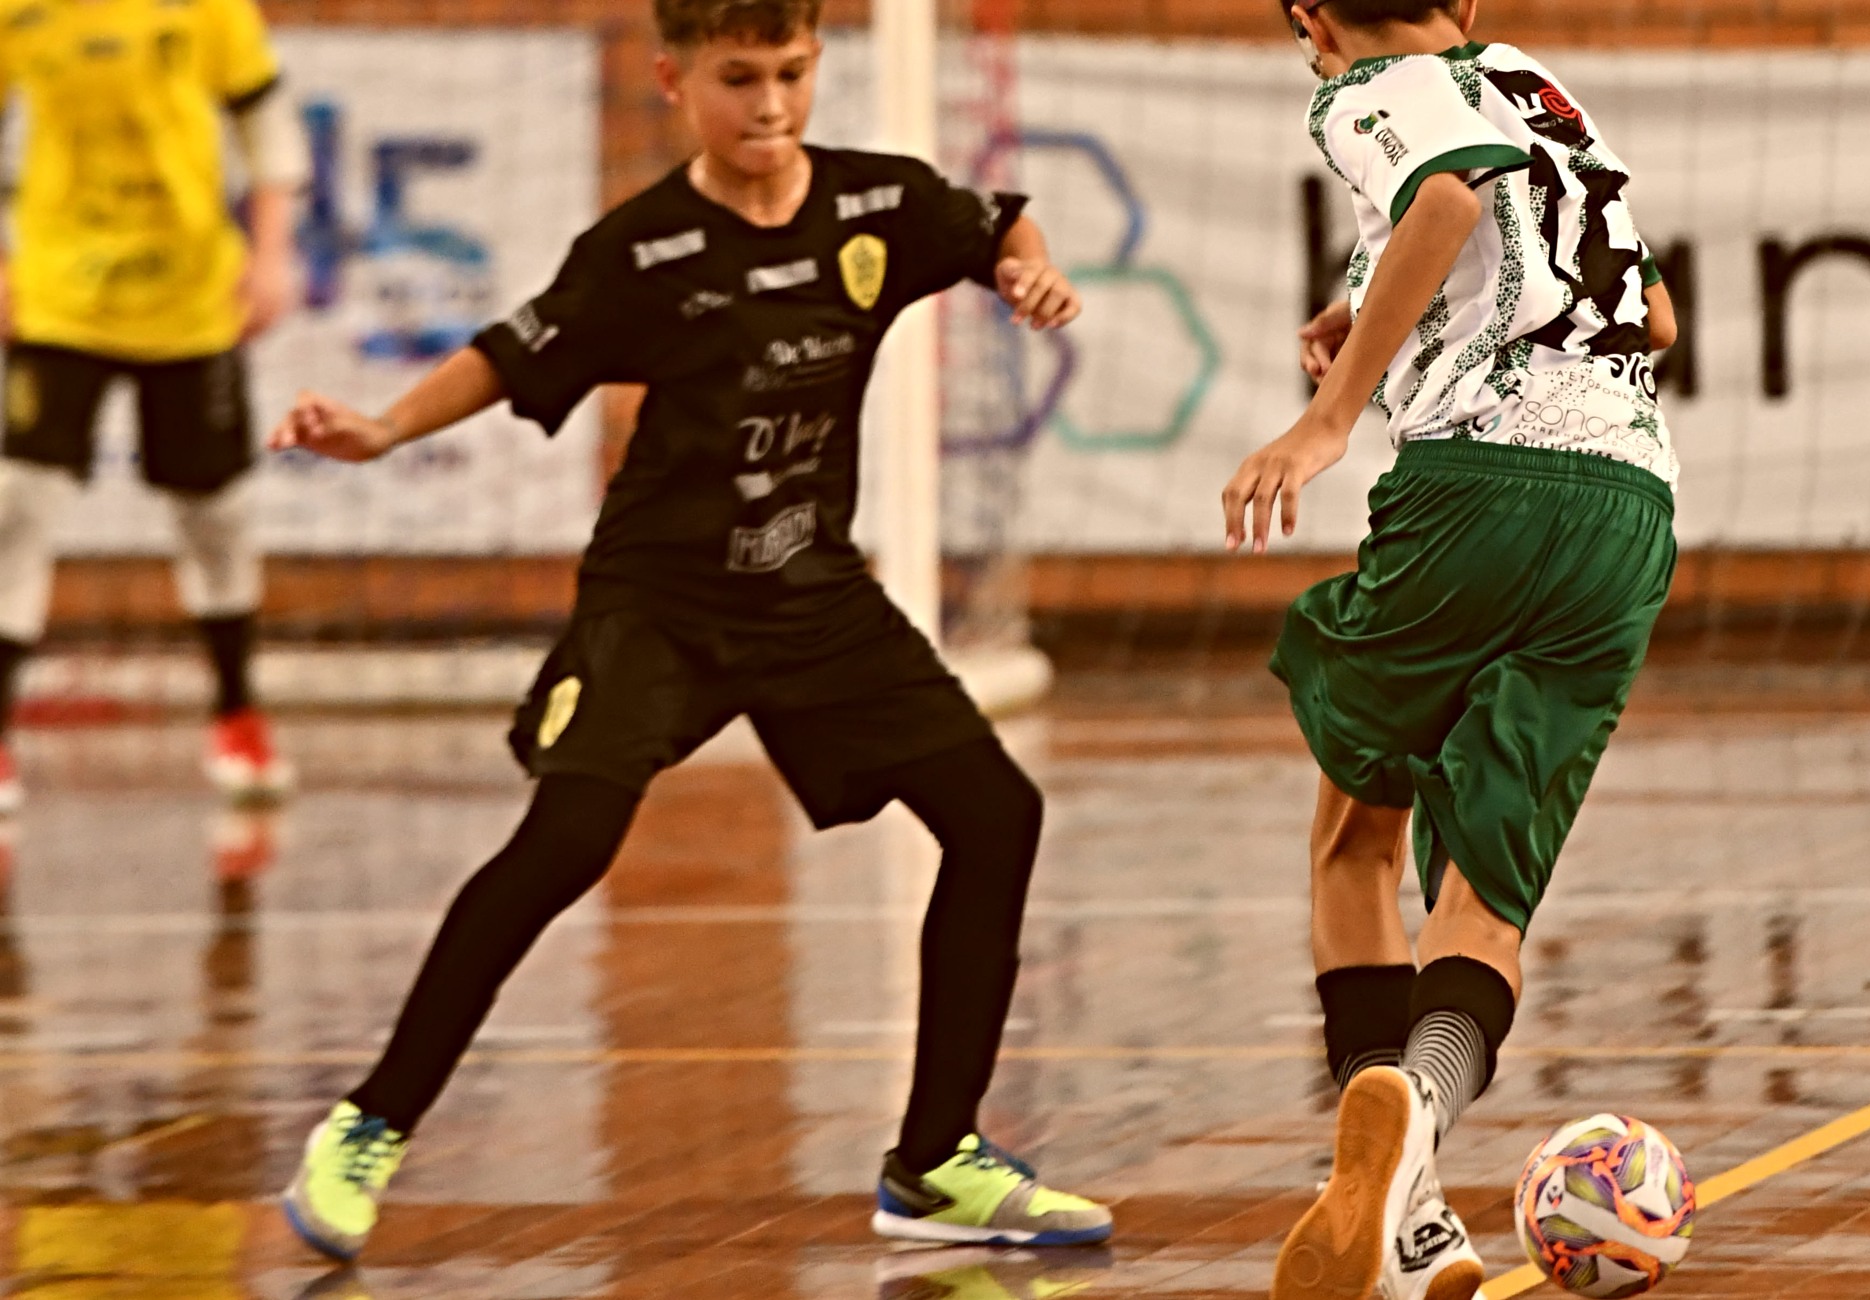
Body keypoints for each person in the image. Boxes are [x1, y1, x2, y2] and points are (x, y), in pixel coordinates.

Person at [274, 0, 1111, 1263]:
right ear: (673, 81)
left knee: (997, 815)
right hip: (659, 601)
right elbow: (509, 352)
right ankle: (368, 1123)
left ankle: (936, 1162)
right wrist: (383, 428)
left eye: (790, 73)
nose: (769, 105)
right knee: (565, 842)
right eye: (738, 79)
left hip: (811, 590)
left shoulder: (875, 203)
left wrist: (1019, 269)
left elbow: (995, 222)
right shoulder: (643, 251)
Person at [1224, 2, 1680, 1297]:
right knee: (1485, 897)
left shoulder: (1362, 86)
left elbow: (1441, 194)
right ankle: (1416, 1193)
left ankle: (1386, 1158)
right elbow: (1652, 316)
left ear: (1308, 15)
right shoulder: (1536, 87)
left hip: (1479, 485)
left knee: (1355, 839)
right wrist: (1366, 299)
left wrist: (1329, 415)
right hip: (1628, 507)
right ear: (1469, 0)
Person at [0, 0, 306, 809]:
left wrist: (273, 252)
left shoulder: (211, 9)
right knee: (16, 502)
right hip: (58, 299)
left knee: (215, 515)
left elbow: (267, 121)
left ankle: (237, 714)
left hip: (189, 299)